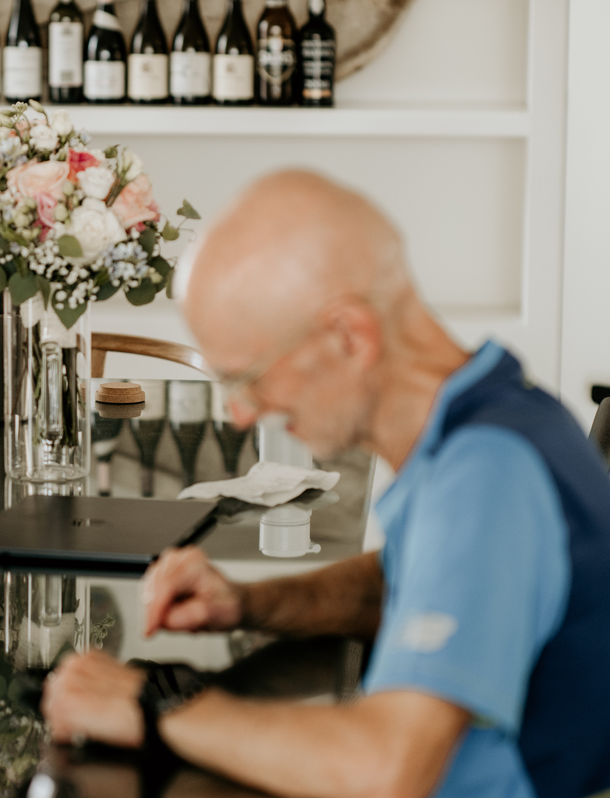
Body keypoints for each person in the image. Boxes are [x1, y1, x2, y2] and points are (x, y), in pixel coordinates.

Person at [41, 171, 610, 797]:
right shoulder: (498, 417)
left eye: (248, 377)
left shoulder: (487, 474)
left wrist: (152, 709)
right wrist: (250, 604)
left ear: (349, 336)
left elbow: (385, 772)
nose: (240, 413)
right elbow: (403, 582)